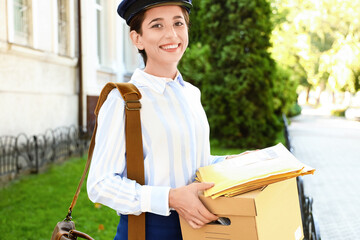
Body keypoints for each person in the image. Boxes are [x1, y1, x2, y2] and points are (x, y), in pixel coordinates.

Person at [87, 0, 236, 239]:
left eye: (178, 23)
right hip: (148, 230)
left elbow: (187, 162)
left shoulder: (191, 93)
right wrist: (170, 198)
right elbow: (100, 184)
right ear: (137, 39)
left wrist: (234, 162)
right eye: (157, 26)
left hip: (200, 227)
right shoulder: (124, 99)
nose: (172, 34)